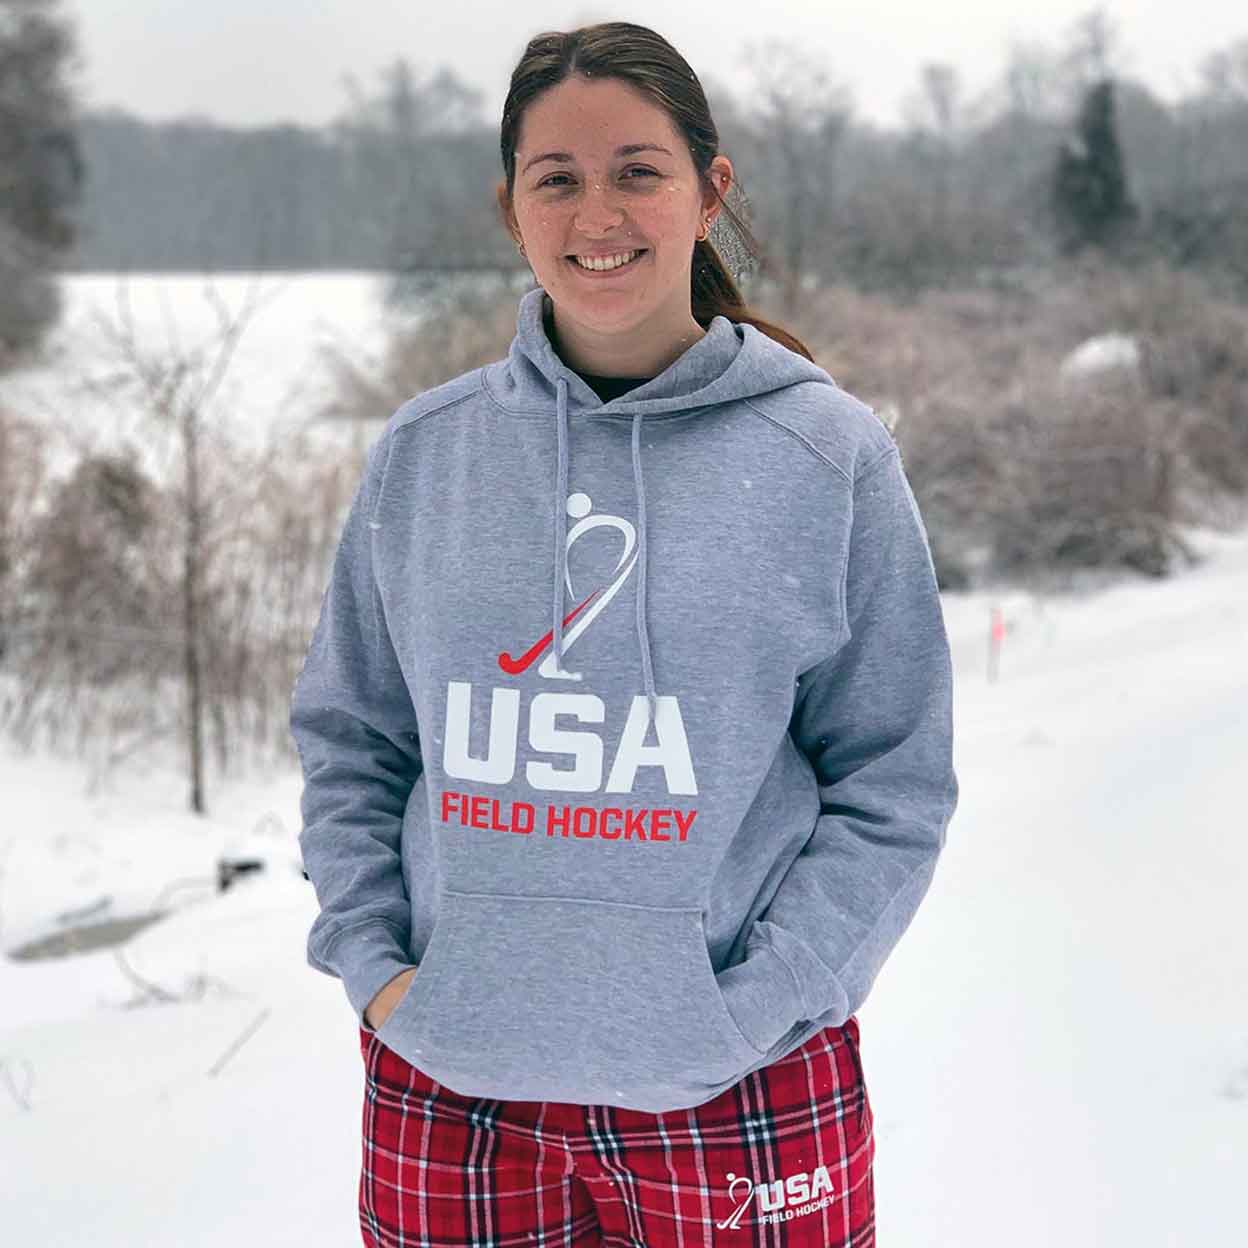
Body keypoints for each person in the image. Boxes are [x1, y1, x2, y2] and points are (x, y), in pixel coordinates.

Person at [290, 19, 958, 1248]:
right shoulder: (426, 458)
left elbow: (894, 780)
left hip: (740, 1085)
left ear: (710, 191)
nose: (599, 212)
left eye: (637, 170)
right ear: (513, 210)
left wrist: (764, 1004)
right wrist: (383, 976)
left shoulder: (828, 458)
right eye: (559, 178)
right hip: (451, 1087)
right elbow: (353, 739)